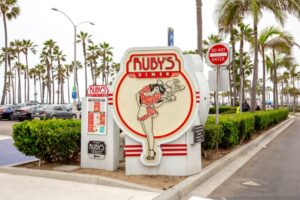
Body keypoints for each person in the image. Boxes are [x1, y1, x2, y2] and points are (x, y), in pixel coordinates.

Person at [136, 79, 184, 161]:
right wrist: (140, 105)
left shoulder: (156, 96)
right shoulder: (147, 89)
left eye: (158, 89)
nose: (156, 89)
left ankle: (151, 152)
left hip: (147, 111)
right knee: (147, 133)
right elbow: (137, 95)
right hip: (142, 110)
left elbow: (155, 105)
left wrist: (165, 100)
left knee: (149, 133)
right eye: (157, 87)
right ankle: (151, 151)